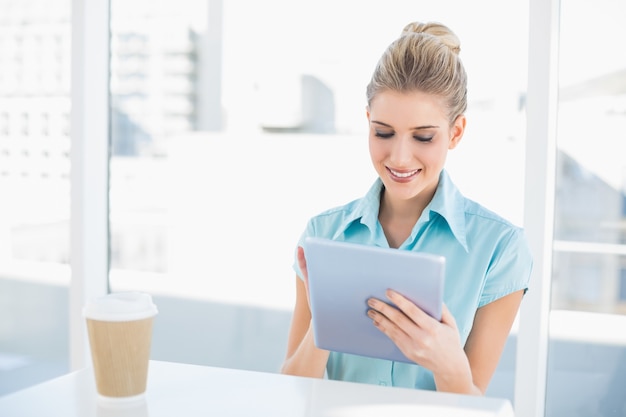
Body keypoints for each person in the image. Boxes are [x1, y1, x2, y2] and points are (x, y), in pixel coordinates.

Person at [280, 21, 533, 395]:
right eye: (383, 132)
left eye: (424, 137)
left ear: (456, 133)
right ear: (367, 122)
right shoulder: (323, 234)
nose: (399, 157)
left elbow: (473, 402)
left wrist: (450, 366)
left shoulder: (500, 248)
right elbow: (292, 392)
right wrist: (327, 318)